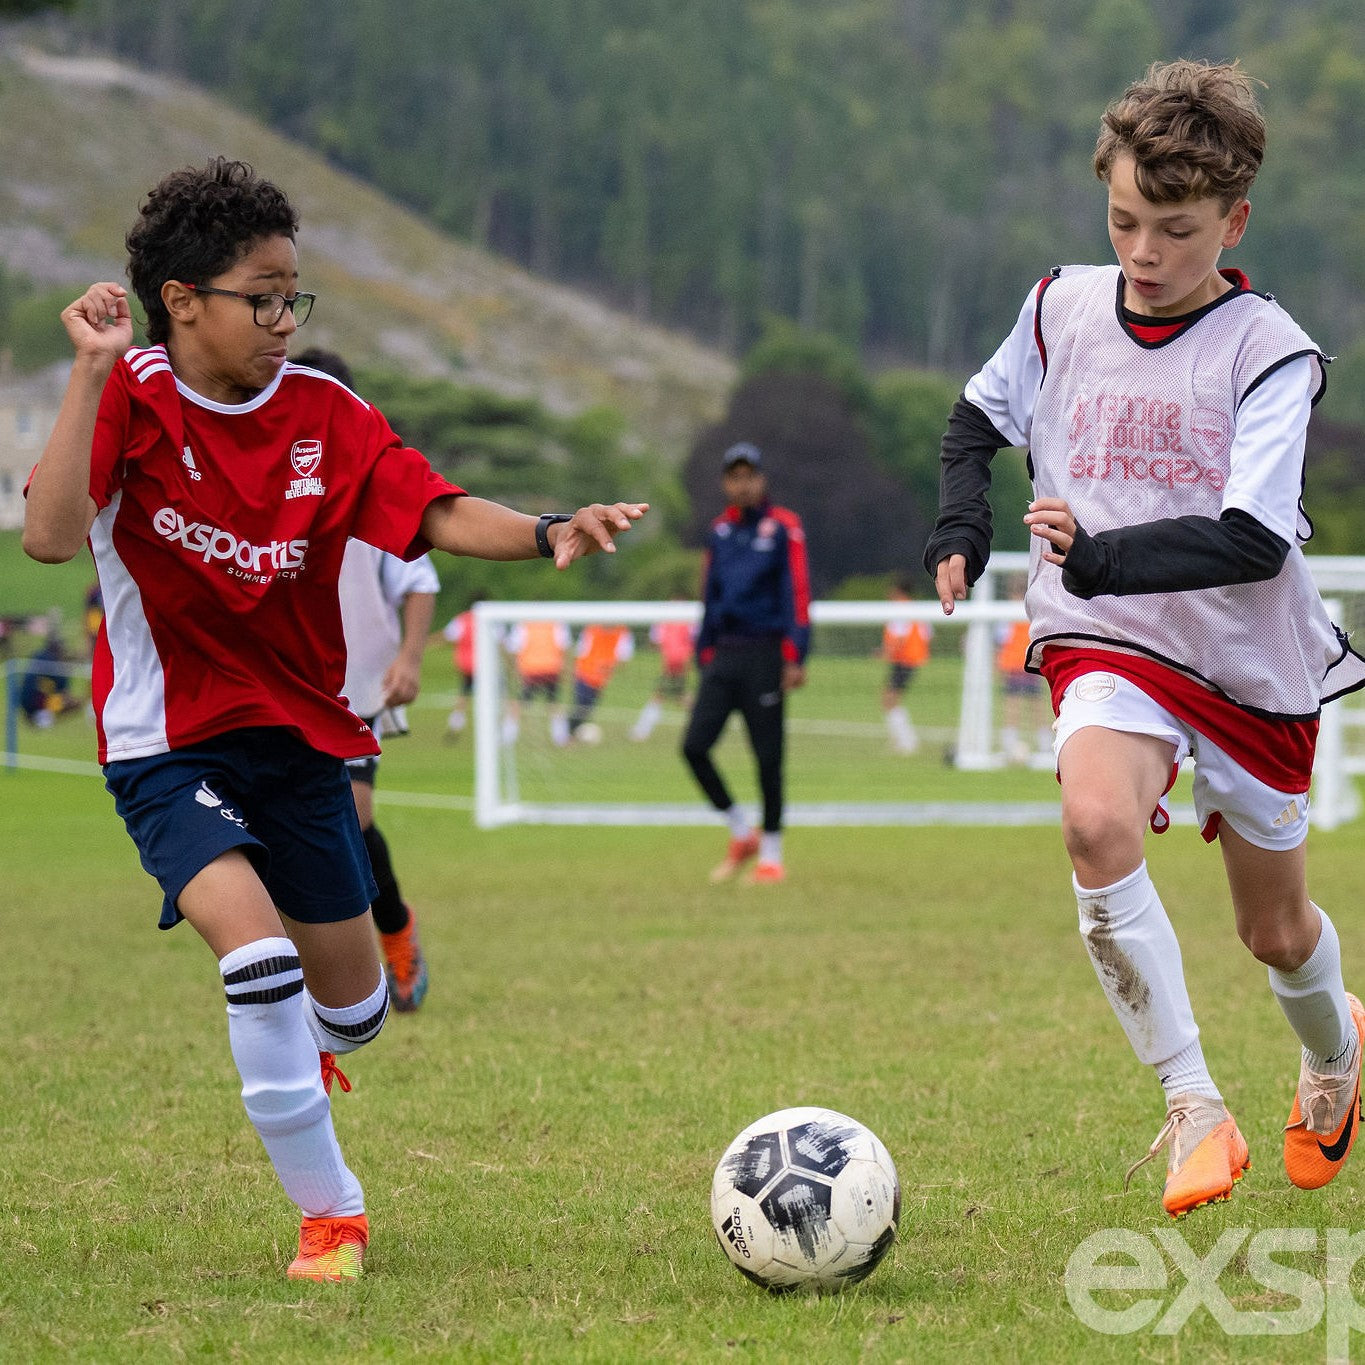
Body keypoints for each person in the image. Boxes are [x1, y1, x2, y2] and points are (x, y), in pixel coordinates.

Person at [22, 157, 646, 1282]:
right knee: (255, 966)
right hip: (166, 743)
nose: (281, 318)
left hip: (305, 744)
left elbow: (435, 507)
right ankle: (333, 1217)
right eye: (261, 296)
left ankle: (308, 1060)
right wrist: (87, 374)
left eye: (292, 296)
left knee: (353, 1017)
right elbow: (53, 538)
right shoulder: (131, 396)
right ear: (183, 300)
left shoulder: (326, 411)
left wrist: (549, 528)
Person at [925, 60, 1365, 1220]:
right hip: (1106, 638)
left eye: (1174, 230)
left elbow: (1253, 540)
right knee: (1092, 820)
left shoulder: (1269, 351)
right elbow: (976, 419)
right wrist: (963, 521)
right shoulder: (1057, 306)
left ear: (1235, 219)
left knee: (1274, 932)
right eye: (1123, 220)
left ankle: (1338, 1054)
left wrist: (1104, 551)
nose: (1142, 253)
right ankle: (1192, 1107)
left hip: (1246, 663)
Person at [290, 346, 437, 1015]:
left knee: (351, 819)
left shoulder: (364, 483)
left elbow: (419, 580)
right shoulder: (269, 477)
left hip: (355, 689)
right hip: (280, 686)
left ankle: (396, 935)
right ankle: (294, 972)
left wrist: (408, 658)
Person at [682, 441, 810, 884]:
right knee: (694, 747)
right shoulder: (718, 533)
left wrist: (795, 654)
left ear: (761, 480)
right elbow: (710, 595)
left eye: (748, 475)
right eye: (733, 476)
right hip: (724, 655)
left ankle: (771, 853)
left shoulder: (783, 528)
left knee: (767, 757)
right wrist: (704, 651)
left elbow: (797, 593)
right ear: (725, 482)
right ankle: (741, 831)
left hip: (765, 654)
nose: (742, 484)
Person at [631, 605, 697, 741]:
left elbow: (656, 641)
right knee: (681, 697)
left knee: (660, 695)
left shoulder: (683, 621)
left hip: (675, 664)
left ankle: (641, 731)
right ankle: (702, 723)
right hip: (676, 664)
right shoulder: (673, 621)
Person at [881, 575, 930, 756]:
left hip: (904, 660)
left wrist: (885, 652)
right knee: (890, 698)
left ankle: (906, 741)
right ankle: (903, 740)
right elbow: (927, 634)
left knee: (889, 699)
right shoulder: (914, 607)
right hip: (914, 659)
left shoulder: (899, 608)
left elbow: (899, 637)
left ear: (897, 590)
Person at [502, 618, 571, 747]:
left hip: (531, 670)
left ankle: (507, 737)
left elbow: (513, 648)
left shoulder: (523, 625)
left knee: (519, 703)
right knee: (553, 703)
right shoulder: (556, 624)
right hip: (551, 669)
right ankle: (560, 738)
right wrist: (564, 668)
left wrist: (514, 668)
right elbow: (563, 647)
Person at [567, 622, 634, 741]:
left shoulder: (622, 632)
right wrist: (574, 672)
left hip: (600, 680)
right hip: (584, 674)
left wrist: (609, 667)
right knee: (580, 706)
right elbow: (580, 651)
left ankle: (574, 734)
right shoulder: (592, 629)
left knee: (588, 709)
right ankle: (569, 735)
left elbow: (624, 658)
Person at [440, 592, 486, 741]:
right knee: (488, 698)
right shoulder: (489, 619)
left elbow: (448, 636)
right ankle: (490, 729)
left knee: (463, 698)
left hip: (467, 666)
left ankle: (455, 726)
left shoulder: (463, 620)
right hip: (485, 667)